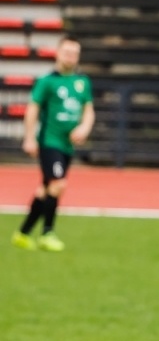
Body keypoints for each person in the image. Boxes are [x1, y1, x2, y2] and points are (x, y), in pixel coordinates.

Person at [13, 37, 94, 253]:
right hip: (50, 142)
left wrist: (84, 127)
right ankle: (47, 233)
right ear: (57, 53)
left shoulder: (82, 82)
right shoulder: (47, 81)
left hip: (67, 145)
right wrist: (29, 137)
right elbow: (32, 109)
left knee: (46, 189)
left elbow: (88, 110)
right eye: (67, 52)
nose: (70, 57)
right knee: (58, 184)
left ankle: (22, 233)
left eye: (74, 53)